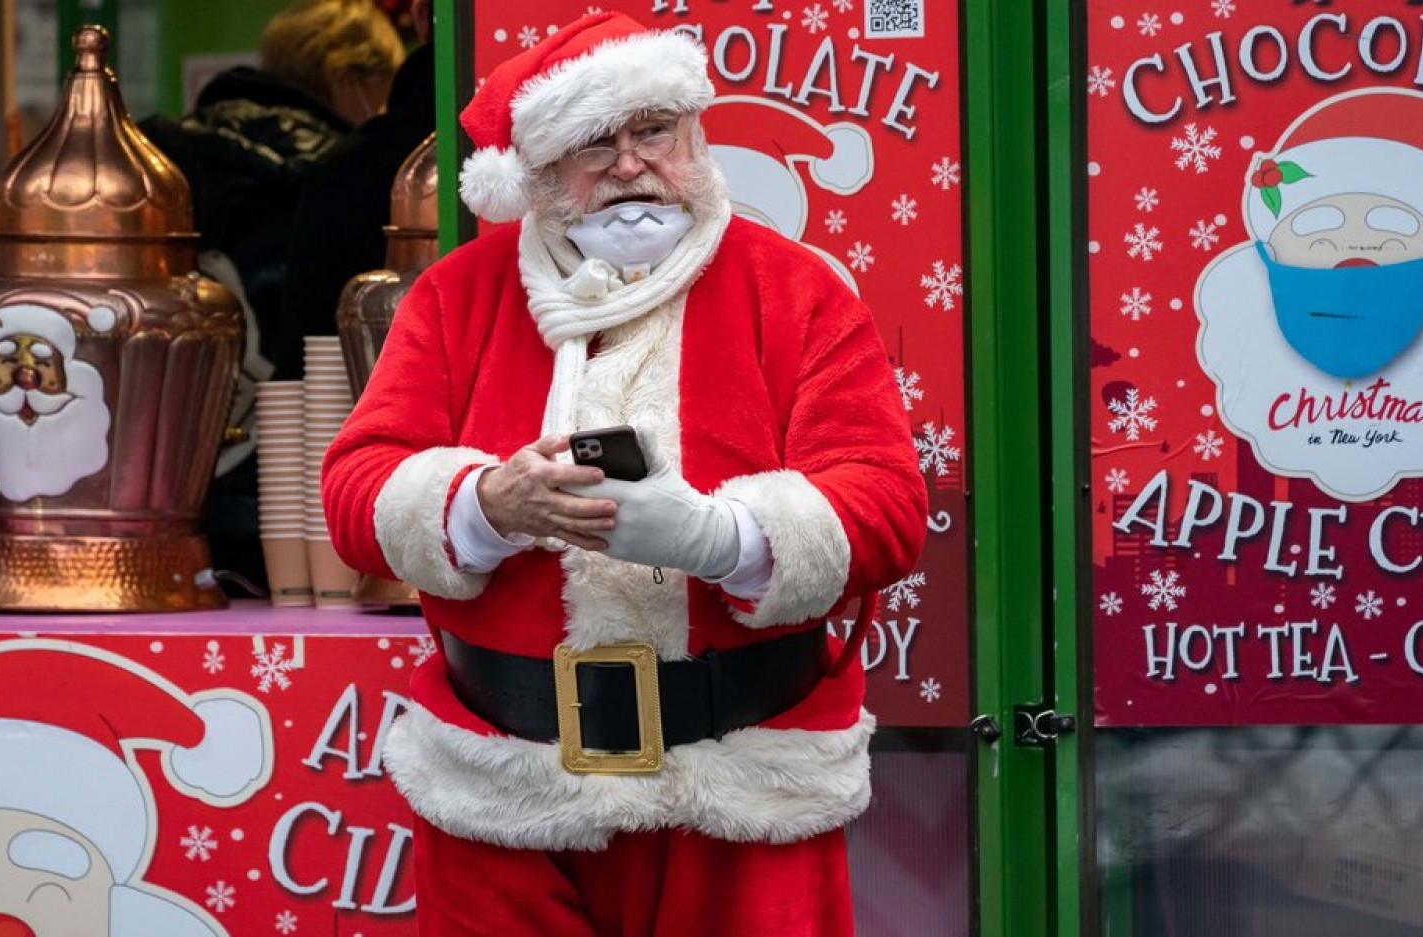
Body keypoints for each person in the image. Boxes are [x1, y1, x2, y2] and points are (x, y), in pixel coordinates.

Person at [321, 12, 925, 935]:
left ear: (696, 135)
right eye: (593, 143)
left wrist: (720, 538)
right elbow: (357, 488)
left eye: (653, 131)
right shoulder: (456, 295)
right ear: (536, 172)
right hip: (504, 789)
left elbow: (887, 505)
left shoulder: (799, 289)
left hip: (743, 788)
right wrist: (485, 504)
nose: (631, 164)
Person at [140, 0, 405, 588]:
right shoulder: (344, 170)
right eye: (382, 85)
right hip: (304, 495)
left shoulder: (170, 162)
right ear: (348, 78)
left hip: (172, 478)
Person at [272, 0, 437, 381]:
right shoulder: (535, 145)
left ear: (419, 17)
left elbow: (299, 357)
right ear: (346, 79)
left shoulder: (345, 165)